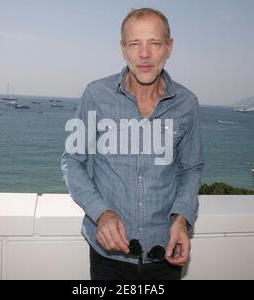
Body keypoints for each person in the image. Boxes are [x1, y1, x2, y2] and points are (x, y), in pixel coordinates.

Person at [61, 8, 204, 280]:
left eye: (155, 43)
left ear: (169, 47)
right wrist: (100, 213)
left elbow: (191, 168)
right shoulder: (95, 95)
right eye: (135, 43)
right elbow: (72, 159)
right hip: (107, 256)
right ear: (123, 49)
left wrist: (182, 219)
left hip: (165, 253)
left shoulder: (188, 104)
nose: (145, 54)